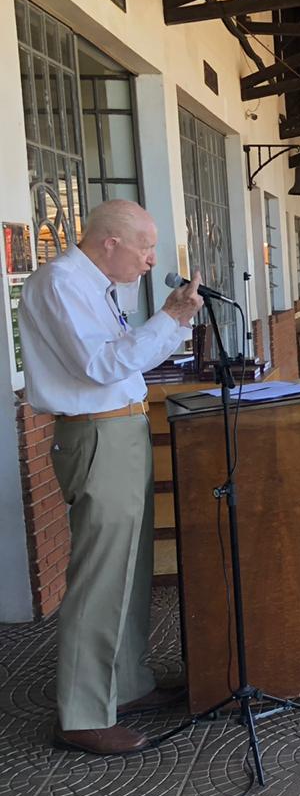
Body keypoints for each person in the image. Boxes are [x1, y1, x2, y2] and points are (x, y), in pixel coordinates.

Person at [17, 200, 204, 755]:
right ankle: (81, 713)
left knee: (130, 563)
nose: (151, 259)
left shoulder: (98, 288)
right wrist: (166, 319)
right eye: (145, 247)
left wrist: (174, 319)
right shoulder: (60, 282)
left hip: (121, 430)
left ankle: (125, 683)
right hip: (96, 435)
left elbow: (128, 359)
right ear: (110, 242)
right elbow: (99, 365)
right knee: (101, 572)